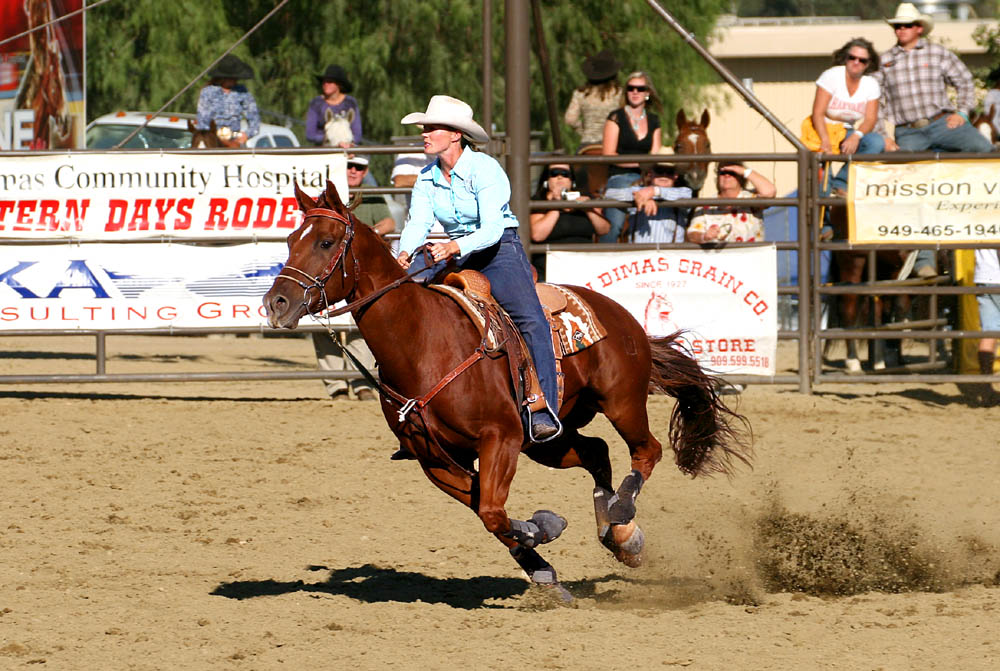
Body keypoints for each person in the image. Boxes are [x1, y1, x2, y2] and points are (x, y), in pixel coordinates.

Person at [396, 95, 562, 442]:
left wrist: (454, 246)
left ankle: (542, 407)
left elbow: (491, 228)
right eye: (424, 128)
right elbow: (418, 222)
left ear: (455, 134)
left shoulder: (485, 169)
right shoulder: (426, 178)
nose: (424, 133)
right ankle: (418, 403)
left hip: (497, 251)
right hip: (452, 251)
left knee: (530, 319)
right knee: (404, 298)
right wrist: (404, 253)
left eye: (432, 127)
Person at [876, 3, 993, 278]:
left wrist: (962, 113)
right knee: (911, 187)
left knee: (986, 151)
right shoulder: (884, 61)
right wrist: (885, 136)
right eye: (897, 26)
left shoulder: (937, 52)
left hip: (943, 122)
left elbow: (964, 81)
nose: (900, 30)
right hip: (908, 130)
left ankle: (986, 218)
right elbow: (876, 102)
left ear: (919, 28)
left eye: (905, 25)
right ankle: (924, 259)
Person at [312, 156, 393, 401]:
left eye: (359, 167)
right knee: (324, 317)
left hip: (359, 265)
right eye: (349, 166)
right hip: (332, 266)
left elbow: (389, 222)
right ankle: (336, 383)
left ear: (366, 170)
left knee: (364, 318)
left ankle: (362, 381)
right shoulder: (326, 196)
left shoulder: (370, 193)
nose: (354, 171)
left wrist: (363, 236)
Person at [810, 38, 886, 195]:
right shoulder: (832, 76)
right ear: (845, 58)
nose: (856, 62)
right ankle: (823, 216)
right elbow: (817, 112)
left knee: (876, 142)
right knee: (822, 182)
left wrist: (856, 136)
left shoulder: (870, 84)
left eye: (862, 60)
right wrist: (825, 140)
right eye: (852, 57)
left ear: (868, 63)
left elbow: (870, 119)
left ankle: (842, 183)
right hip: (823, 127)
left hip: (848, 130)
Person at [600, 71, 663, 243]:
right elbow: (608, 155)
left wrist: (647, 169)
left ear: (647, 93)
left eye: (640, 88)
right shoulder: (616, 117)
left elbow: (656, 153)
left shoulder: (654, 120)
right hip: (620, 176)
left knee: (667, 207)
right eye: (631, 88)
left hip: (647, 177)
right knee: (614, 226)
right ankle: (604, 257)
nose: (635, 92)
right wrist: (640, 162)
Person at [529, 163, 610, 278]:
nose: (560, 177)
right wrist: (557, 205)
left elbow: (604, 229)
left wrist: (588, 209)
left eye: (565, 174)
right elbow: (537, 235)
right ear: (546, 179)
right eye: (554, 173)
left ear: (572, 180)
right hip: (550, 267)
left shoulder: (585, 198)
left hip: (584, 265)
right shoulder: (539, 201)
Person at [603, 152, 691, 243]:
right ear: (650, 173)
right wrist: (640, 195)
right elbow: (609, 194)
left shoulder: (683, 192)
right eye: (659, 170)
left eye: (669, 172)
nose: (664, 175)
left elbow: (687, 195)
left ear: (675, 176)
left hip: (669, 255)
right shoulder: (638, 191)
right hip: (638, 254)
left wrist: (653, 192)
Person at [687, 161, 776, 244]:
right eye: (723, 172)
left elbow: (769, 192)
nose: (727, 176)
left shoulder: (751, 198)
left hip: (750, 258)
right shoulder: (706, 205)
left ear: (741, 177)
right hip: (717, 258)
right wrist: (704, 236)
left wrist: (744, 171)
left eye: (732, 173)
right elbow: (692, 234)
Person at [195, 54, 260, 148]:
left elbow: (254, 117)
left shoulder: (242, 92)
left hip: (235, 141)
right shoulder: (208, 92)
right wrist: (214, 138)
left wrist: (246, 135)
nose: (235, 80)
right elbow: (202, 121)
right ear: (222, 77)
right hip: (212, 141)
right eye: (232, 78)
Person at [564, 50, 623, 149]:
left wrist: (585, 131)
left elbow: (570, 119)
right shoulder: (619, 93)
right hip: (613, 143)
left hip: (587, 144)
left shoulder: (580, 93)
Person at [305, 64, 362, 147]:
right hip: (323, 150)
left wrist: (346, 142)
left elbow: (357, 135)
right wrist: (332, 137)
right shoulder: (316, 103)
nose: (325, 84)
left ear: (339, 84)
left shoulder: (350, 103)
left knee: (363, 158)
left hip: (348, 147)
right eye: (324, 81)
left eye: (330, 82)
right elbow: (310, 135)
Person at [971, 249, 1000, 406]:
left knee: (989, 332)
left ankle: (986, 388)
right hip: (997, 276)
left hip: (983, 275)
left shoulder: (980, 223)